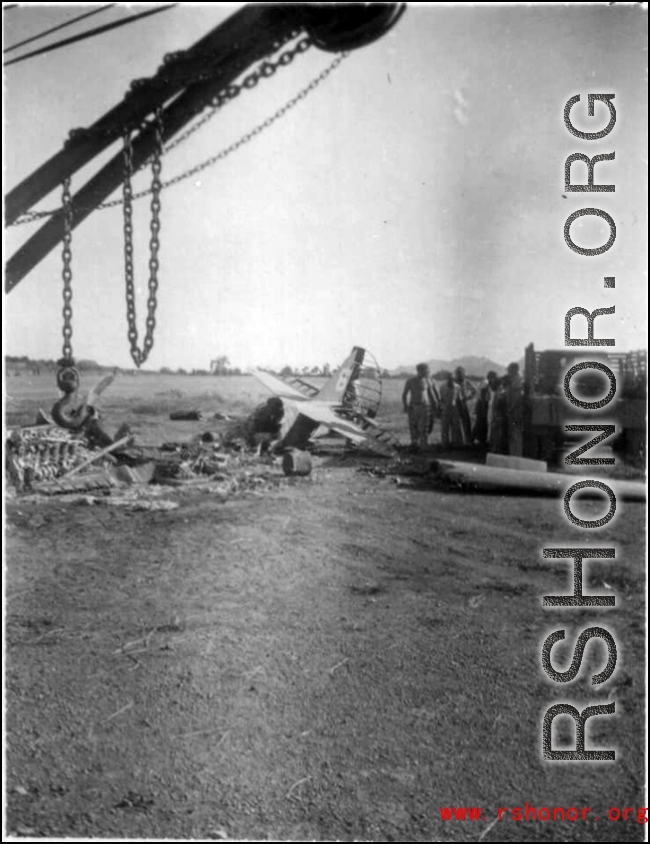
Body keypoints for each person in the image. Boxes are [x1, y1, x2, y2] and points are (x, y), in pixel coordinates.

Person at [402, 363, 440, 450]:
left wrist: (437, 404)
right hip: (413, 407)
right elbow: (404, 394)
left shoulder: (428, 380)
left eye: (428, 370)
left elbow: (432, 394)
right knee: (413, 427)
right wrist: (405, 405)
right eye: (426, 370)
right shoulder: (410, 381)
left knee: (424, 428)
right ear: (419, 370)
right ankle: (414, 445)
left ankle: (424, 446)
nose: (427, 372)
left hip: (425, 407)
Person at [472, 370, 500, 446]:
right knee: (481, 422)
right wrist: (484, 407)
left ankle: (479, 439)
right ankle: (479, 439)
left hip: (483, 404)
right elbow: (483, 395)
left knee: (481, 422)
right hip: (482, 404)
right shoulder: (485, 383)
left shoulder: (486, 383)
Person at [439, 372, 464, 448]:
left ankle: (455, 444)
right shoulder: (442, 387)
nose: (451, 380)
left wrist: (461, 409)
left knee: (455, 427)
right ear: (447, 379)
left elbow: (459, 399)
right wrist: (439, 409)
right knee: (444, 428)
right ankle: (445, 444)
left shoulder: (457, 387)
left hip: (454, 409)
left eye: (452, 379)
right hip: (445, 409)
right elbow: (440, 399)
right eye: (449, 378)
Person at [505, 362, 524, 456]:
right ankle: (514, 454)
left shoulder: (518, 380)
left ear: (514, 370)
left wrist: (511, 409)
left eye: (509, 370)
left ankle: (516, 455)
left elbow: (517, 398)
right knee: (513, 434)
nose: (508, 372)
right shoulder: (515, 379)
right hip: (513, 410)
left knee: (515, 434)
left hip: (515, 411)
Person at [454, 366, 477, 444]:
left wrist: (468, 397)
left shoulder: (466, 382)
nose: (459, 374)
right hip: (455, 404)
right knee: (456, 423)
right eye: (457, 373)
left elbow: (474, 390)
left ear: (463, 373)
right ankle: (458, 441)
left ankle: (468, 441)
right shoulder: (453, 382)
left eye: (460, 373)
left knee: (466, 423)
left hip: (463, 403)